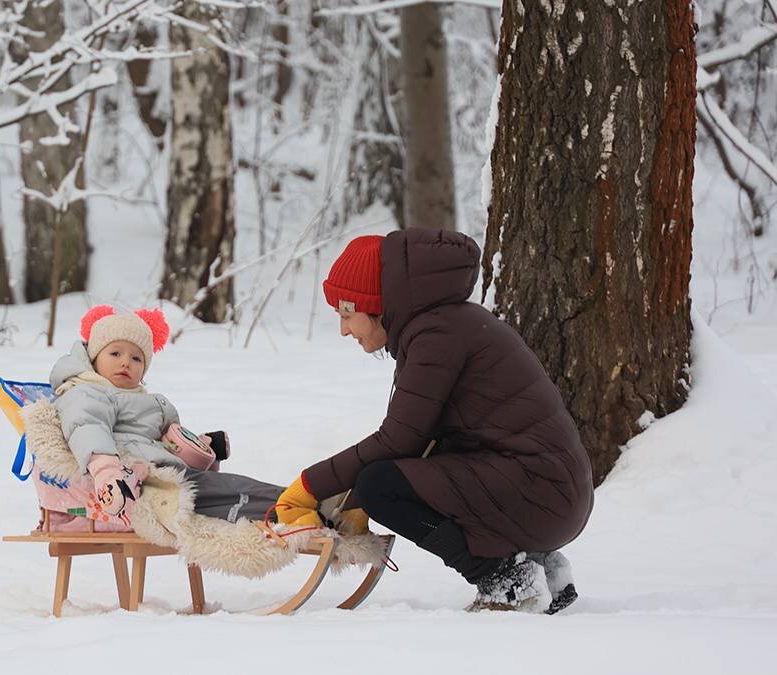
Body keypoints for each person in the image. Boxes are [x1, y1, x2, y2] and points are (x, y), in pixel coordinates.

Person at [276, 229, 594, 613]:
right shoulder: (444, 325)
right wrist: (348, 499)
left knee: (382, 486)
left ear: (376, 304)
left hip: (540, 491)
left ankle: (504, 579)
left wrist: (311, 484)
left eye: (347, 313)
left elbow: (399, 440)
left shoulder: (436, 335)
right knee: (384, 480)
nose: (344, 329)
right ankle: (539, 565)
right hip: (549, 491)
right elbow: (426, 444)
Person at [51, 305, 283, 524]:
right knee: (227, 493)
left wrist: (205, 448)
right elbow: (87, 428)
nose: (125, 363)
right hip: (143, 484)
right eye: (115, 353)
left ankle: (297, 500)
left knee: (233, 486)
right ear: (93, 358)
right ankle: (292, 507)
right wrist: (107, 474)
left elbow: (170, 444)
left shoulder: (147, 401)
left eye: (136, 358)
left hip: (172, 474)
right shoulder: (87, 392)